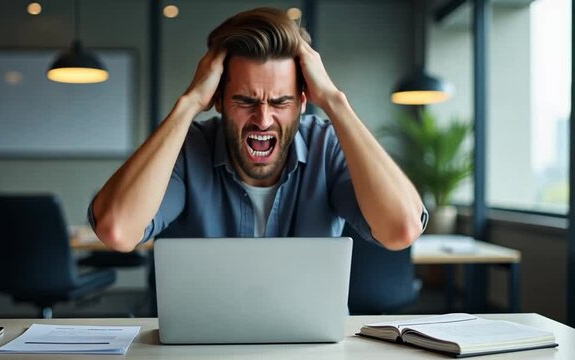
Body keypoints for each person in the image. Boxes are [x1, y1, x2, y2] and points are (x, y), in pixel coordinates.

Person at [89, 7, 427, 252]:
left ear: (303, 101)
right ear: (218, 99)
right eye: (245, 100)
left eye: (280, 102)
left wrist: (336, 102)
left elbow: (402, 229)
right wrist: (189, 102)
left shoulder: (327, 146)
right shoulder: (188, 151)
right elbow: (117, 231)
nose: (263, 120)